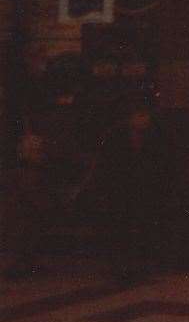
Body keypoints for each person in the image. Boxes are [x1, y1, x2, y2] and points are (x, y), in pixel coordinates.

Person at [3, 65, 97, 279]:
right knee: (30, 218)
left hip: (36, 172)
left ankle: (25, 260)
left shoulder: (46, 115)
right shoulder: (61, 117)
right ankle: (24, 260)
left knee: (28, 218)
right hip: (37, 173)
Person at [99, 94, 168, 281]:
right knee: (121, 229)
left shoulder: (154, 135)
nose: (144, 120)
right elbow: (107, 164)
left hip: (144, 188)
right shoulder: (115, 136)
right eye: (140, 115)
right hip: (121, 189)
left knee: (144, 228)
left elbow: (160, 162)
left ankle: (141, 266)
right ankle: (121, 267)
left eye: (146, 116)